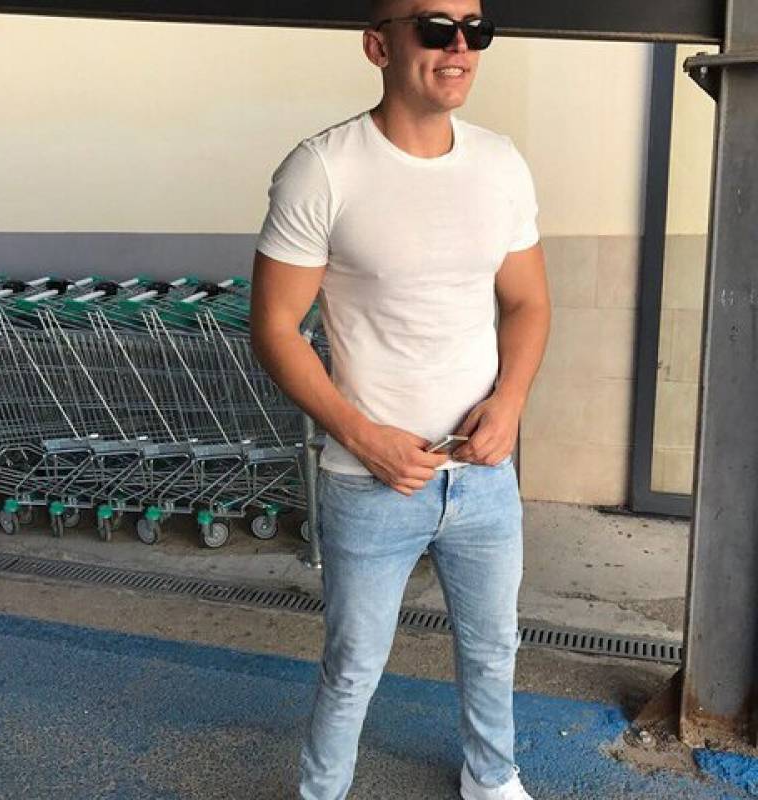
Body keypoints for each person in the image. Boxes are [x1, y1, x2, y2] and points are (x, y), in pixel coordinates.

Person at [250, 0, 551, 796]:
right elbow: (275, 327)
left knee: (494, 648)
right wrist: (363, 435)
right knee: (354, 663)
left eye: (476, 30)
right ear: (377, 46)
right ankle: (323, 791)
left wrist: (510, 401)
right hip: (370, 479)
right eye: (435, 27)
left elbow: (528, 302)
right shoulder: (323, 169)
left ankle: (491, 779)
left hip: (483, 474)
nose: (460, 46)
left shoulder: (501, 164)